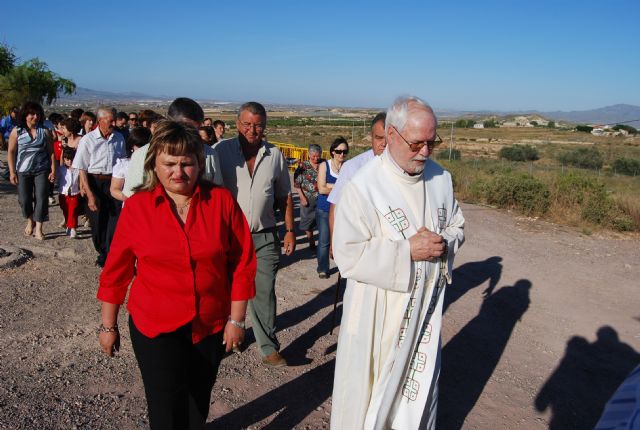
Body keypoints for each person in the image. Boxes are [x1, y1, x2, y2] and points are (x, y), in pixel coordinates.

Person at [97, 120, 256, 429]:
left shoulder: (221, 202)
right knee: (166, 403)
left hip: (209, 323)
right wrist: (108, 325)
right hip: (154, 324)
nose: (178, 171)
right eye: (169, 163)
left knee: (198, 401)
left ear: (200, 164)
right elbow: (116, 272)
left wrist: (236, 321)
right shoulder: (138, 207)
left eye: (187, 163)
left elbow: (243, 263)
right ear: (154, 165)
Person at [331, 96, 465, 429]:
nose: (425, 152)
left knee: (416, 398)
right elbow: (348, 253)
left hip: (424, 312)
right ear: (391, 135)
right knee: (369, 396)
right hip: (377, 314)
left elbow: (457, 225)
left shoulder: (440, 179)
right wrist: (406, 250)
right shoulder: (363, 187)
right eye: (417, 143)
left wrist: (443, 243)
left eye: (432, 143)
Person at [215, 101, 295, 367]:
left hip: (264, 235)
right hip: (228, 237)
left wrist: (291, 231)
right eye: (247, 124)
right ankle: (229, 339)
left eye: (258, 125)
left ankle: (268, 346)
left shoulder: (274, 155)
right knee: (225, 289)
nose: (252, 130)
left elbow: (284, 196)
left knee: (264, 291)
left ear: (265, 126)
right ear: (237, 124)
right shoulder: (220, 151)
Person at [123, 97, 223, 198]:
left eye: (195, 129)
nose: (191, 134)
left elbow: (217, 192)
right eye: (186, 127)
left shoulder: (210, 154)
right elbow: (132, 196)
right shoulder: (142, 154)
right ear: (169, 121)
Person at [72, 107, 126, 267]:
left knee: (114, 220)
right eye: (110, 120)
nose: (114, 123)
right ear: (100, 121)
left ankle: (109, 253)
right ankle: (102, 249)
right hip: (95, 182)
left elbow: (122, 163)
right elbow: (81, 168)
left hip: (114, 182)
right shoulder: (88, 140)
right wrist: (89, 194)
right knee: (98, 221)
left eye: (114, 120)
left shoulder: (119, 138)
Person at [327, 112, 387, 252]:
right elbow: (335, 207)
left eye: (388, 138)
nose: (384, 144)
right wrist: (334, 242)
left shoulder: (404, 168)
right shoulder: (353, 167)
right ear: (371, 137)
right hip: (358, 245)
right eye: (379, 138)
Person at [7, 101, 57, 240]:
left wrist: (53, 170)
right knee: (24, 199)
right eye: (32, 114)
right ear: (25, 115)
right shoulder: (16, 131)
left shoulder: (44, 131)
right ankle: (30, 221)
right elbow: (11, 152)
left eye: (37, 114)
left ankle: (39, 229)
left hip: (42, 170)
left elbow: (51, 152)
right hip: (23, 170)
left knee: (41, 198)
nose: (35, 116)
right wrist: (12, 172)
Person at [315, 137, 348, 278]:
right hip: (325, 209)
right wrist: (340, 187)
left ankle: (344, 267)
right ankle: (323, 268)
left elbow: (351, 187)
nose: (341, 154)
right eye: (339, 151)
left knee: (343, 240)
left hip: (342, 211)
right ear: (332, 152)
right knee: (324, 240)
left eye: (345, 152)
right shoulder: (325, 166)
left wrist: (329, 185)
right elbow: (321, 189)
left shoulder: (348, 166)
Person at [110, 127, 151, 203]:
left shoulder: (155, 163)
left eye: (145, 146)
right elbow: (114, 189)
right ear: (132, 146)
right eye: (139, 146)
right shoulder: (124, 164)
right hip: (131, 205)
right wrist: (130, 199)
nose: (142, 149)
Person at [293, 144, 323, 251]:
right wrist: (302, 197)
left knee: (322, 221)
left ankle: (323, 243)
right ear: (309, 155)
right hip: (307, 198)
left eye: (318, 156)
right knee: (307, 222)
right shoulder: (303, 166)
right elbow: (297, 184)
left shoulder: (324, 164)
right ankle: (311, 241)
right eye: (313, 156)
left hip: (323, 198)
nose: (316, 158)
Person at [57, 147, 80, 238]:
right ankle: (68, 225)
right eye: (67, 159)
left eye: (71, 159)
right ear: (64, 159)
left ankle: (73, 228)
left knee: (73, 211)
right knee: (65, 211)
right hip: (63, 194)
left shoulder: (77, 169)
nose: (69, 161)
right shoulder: (61, 169)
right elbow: (56, 177)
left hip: (74, 193)